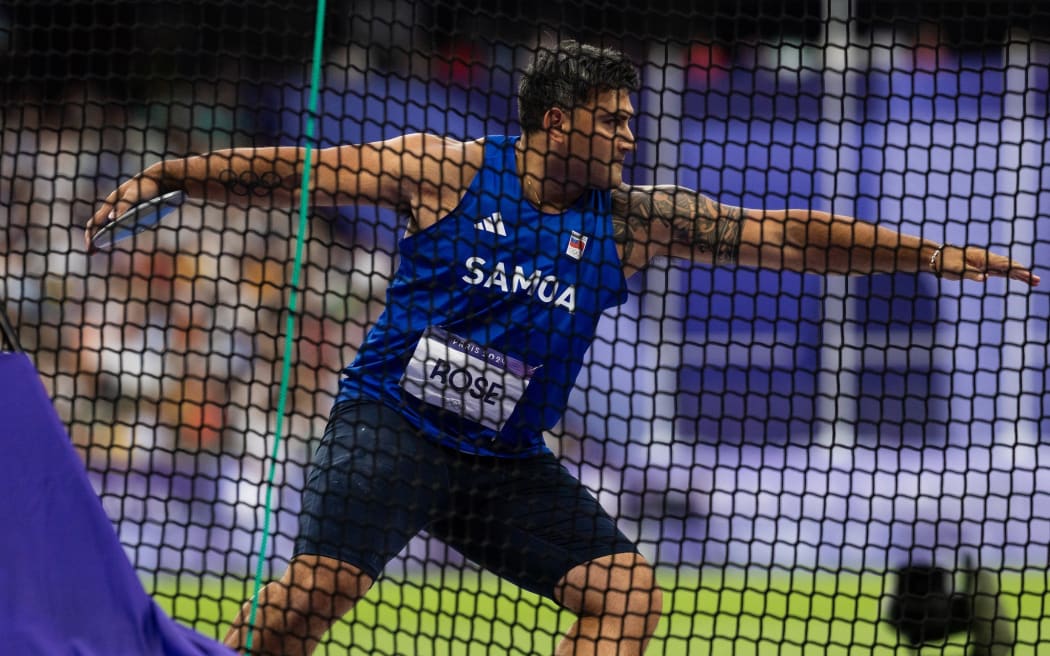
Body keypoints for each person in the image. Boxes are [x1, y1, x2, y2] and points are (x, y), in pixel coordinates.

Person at [86, 40, 1039, 656]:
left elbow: (785, 233)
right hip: (394, 427)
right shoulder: (447, 170)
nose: (630, 137)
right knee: (304, 610)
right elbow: (298, 171)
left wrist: (933, 252)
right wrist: (171, 173)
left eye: (631, 121)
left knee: (628, 598)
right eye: (615, 120)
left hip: (504, 463)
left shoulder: (630, 220)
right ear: (558, 118)